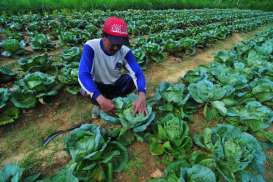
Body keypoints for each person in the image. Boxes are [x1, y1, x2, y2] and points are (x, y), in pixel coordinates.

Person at [78, 16, 147, 118]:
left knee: (129, 79)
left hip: (115, 85)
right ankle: (99, 104)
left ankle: (116, 102)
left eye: (119, 44)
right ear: (104, 36)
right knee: (87, 88)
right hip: (99, 86)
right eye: (113, 43)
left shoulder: (124, 51)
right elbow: (83, 74)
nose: (116, 47)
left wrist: (142, 96)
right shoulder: (91, 47)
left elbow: (138, 73)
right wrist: (99, 98)